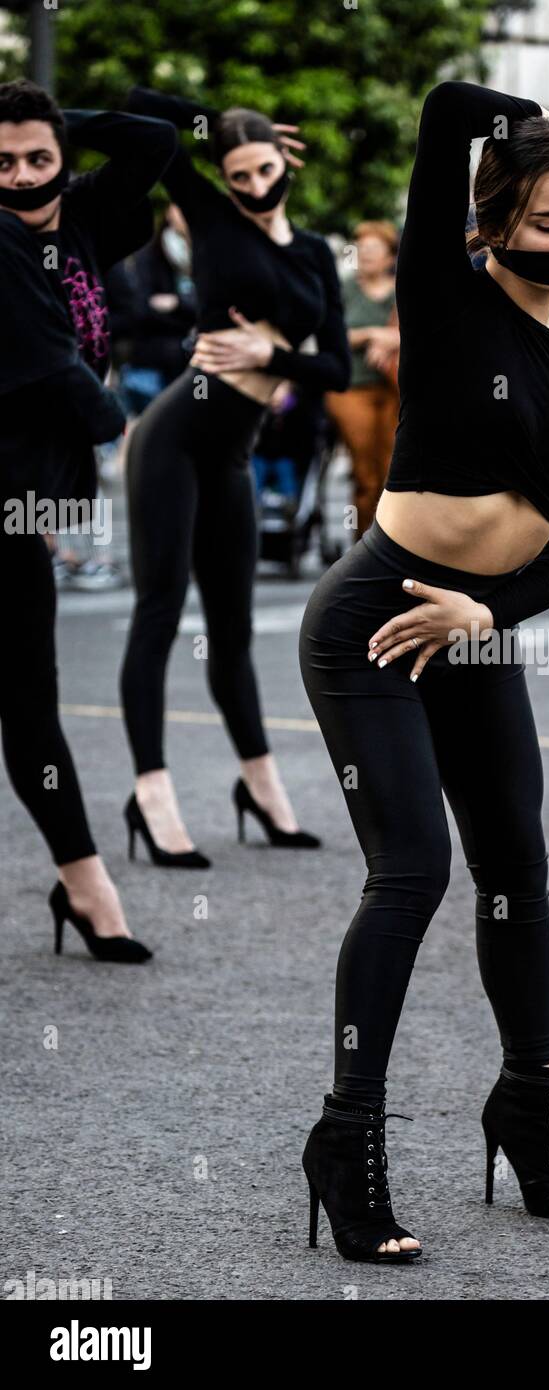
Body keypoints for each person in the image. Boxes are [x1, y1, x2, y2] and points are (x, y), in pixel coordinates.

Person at [298, 80, 549, 1263]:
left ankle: (526, 1109)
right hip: (376, 622)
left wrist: (483, 608)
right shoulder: (445, 300)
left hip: (469, 626)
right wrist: (533, 115)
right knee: (412, 871)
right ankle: (347, 1141)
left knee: (515, 871)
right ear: (491, 226)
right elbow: (441, 111)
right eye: (548, 221)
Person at [117, 88, 351, 866]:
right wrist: (219, 120)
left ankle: (261, 786)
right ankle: (151, 794)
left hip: (233, 451)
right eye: (239, 174)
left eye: (264, 169)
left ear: (288, 160)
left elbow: (338, 369)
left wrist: (268, 356)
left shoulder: (315, 252)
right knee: (159, 613)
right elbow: (140, 105)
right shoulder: (214, 219)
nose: (255, 186)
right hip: (173, 438)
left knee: (235, 631)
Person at [0, 78, 176, 961]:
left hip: (20, 500)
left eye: (39, 157)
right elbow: (49, 362)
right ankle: (91, 888)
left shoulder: (76, 219)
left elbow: (153, 140)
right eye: (2, 160)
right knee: (28, 707)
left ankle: (84, 884)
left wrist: (62, 116)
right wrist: (133, 436)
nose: (23, 175)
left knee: (29, 706)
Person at [322, 219, 400, 536]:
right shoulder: (344, 289)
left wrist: (392, 339)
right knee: (364, 473)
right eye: (361, 249)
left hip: (394, 388)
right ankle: (362, 542)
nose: (366, 255)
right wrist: (372, 334)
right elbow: (331, 334)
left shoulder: (403, 290)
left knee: (391, 473)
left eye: (374, 249)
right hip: (351, 388)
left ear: (390, 257)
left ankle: (391, 544)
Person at [105, 202, 197, 416]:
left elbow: (210, 308)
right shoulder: (149, 254)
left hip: (192, 367)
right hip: (150, 365)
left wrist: (176, 304)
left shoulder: (208, 256)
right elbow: (139, 310)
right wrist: (187, 312)